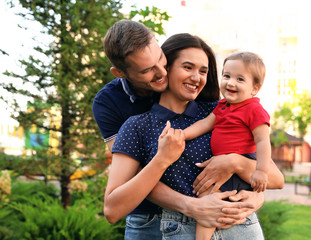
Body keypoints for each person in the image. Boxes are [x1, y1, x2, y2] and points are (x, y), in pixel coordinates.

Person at [93, 20, 269, 240]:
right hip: (154, 220)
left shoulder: (219, 111)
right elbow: (124, 187)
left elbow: (270, 174)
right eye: (187, 67)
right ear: (121, 72)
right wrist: (163, 161)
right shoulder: (121, 112)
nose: (160, 73)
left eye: (203, 70)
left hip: (237, 225)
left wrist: (250, 186)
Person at [183, 51, 272, 239]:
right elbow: (205, 124)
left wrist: (262, 171)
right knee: (207, 197)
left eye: (240, 79)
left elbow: (263, 140)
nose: (230, 83)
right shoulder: (223, 106)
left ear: (255, 88)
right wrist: (182, 135)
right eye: (226, 76)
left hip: (240, 166)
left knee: (207, 196)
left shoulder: (254, 109)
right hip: (223, 165)